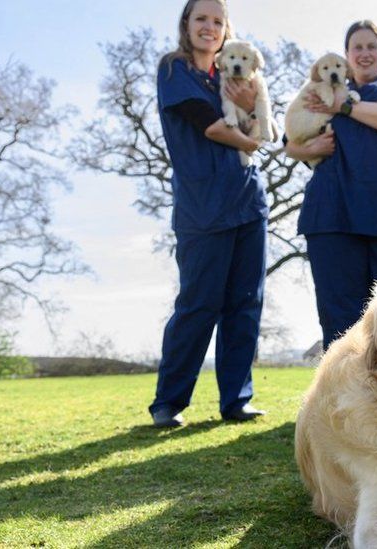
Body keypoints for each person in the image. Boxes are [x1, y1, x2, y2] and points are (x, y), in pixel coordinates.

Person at [149, 0, 268, 427]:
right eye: (202, 18)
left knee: (246, 303)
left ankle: (236, 400)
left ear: (226, 30)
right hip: (203, 206)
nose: (209, 27)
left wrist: (253, 110)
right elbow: (213, 126)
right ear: (187, 23)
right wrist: (250, 138)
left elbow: (257, 120)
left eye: (218, 21)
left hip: (248, 202)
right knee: (199, 303)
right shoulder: (174, 70)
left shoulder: (235, 73)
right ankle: (169, 401)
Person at [286, 21, 377, 350]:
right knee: (339, 318)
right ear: (346, 56)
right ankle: (344, 397)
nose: (364, 53)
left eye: (371, 46)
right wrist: (307, 149)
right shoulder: (320, 91)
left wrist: (344, 106)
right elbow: (290, 140)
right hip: (331, 216)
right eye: (357, 47)